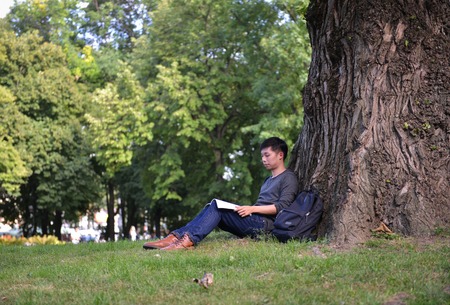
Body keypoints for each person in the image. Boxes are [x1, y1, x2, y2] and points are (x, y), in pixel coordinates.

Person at [143, 137, 299, 251]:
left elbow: (282, 207)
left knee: (217, 206)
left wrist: (252, 209)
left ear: (280, 155)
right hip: (255, 220)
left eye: (267, 155)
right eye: (262, 156)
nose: (263, 159)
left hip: (266, 226)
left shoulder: (288, 177)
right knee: (212, 205)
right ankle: (176, 237)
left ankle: (187, 240)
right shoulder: (268, 180)